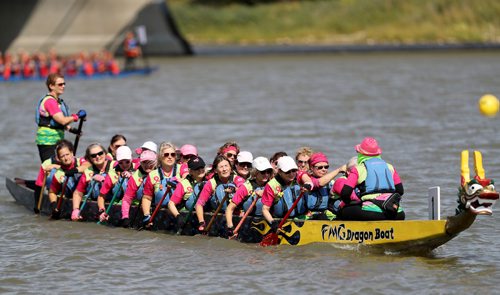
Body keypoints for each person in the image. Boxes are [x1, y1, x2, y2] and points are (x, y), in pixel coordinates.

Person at [335, 137, 405, 220]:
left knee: (344, 211)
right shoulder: (390, 167)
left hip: (371, 213)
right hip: (396, 213)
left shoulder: (358, 169)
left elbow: (345, 193)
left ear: (361, 154)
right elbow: (400, 191)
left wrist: (355, 203)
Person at [35, 73, 86, 162]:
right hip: (47, 140)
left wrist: (72, 130)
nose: (63, 86)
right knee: (52, 169)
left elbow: (57, 123)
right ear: (51, 86)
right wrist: (77, 116)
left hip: (57, 139)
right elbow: (62, 121)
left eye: (64, 84)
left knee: (62, 166)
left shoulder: (58, 101)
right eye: (60, 84)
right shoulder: (50, 101)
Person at [195, 155, 246, 232]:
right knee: (219, 190)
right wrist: (201, 222)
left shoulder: (238, 179)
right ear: (215, 170)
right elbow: (199, 204)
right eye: (221, 167)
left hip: (236, 211)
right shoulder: (211, 183)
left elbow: (243, 189)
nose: (224, 169)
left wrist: (235, 189)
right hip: (218, 211)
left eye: (226, 166)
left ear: (230, 168)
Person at [225, 156, 273, 237]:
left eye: (268, 172)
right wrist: (230, 227)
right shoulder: (245, 187)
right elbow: (229, 209)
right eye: (263, 172)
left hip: (269, 220)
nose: (266, 174)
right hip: (249, 221)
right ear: (255, 172)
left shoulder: (272, 185)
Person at [141, 142, 182, 227]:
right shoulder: (152, 175)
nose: (170, 157)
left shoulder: (182, 170)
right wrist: (147, 215)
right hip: (161, 211)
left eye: (173, 154)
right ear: (160, 157)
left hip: (180, 210)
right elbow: (147, 198)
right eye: (166, 154)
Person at [47, 140, 90, 219]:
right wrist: (53, 205)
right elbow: (52, 192)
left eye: (67, 154)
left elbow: (87, 165)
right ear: (58, 159)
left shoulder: (80, 161)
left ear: (72, 153)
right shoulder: (58, 173)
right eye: (62, 156)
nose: (66, 158)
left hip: (86, 191)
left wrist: (75, 170)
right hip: (69, 193)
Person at [71, 143, 113, 221]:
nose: (97, 156)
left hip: (115, 196)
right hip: (97, 197)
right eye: (93, 156)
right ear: (89, 158)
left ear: (105, 153)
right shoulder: (88, 172)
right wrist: (76, 209)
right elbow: (78, 193)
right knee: (94, 182)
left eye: (100, 153)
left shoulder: (116, 165)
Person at [297, 152, 346, 219]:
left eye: (326, 167)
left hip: (325, 214)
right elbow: (318, 183)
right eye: (320, 167)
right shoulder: (306, 179)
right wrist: (339, 170)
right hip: (308, 216)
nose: (324, 169)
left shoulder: (330, 182)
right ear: (311, 168)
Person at [261, 156, 305, 230]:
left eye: (294, 170)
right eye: (287, 172)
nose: (292, 174)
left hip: (300, 218)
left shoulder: (299, 178)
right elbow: (265, 209)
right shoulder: (272, 185)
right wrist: (272, 222)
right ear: (280, 172)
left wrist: (308, 184)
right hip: (280, 220)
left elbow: (310, 181)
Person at [168, 156, 207, 232]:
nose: (200, 170)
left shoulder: (210, 182)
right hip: (187, 214)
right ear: (190, 171)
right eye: (197, 169)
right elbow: (171, 204)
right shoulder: (184, 184)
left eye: (202, 167)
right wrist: (178, 216)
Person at [120, 149, 157, 227]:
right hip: (141, 202)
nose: (147, 165)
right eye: (144, 162)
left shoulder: (161, 172)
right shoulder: (135, 177)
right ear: (140, 163)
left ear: (156, 162)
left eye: (150, 162)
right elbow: (127, 199)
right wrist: (125, 217)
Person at [97, 146, 135, 222]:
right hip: (115, 200)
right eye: (121, 163)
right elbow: (101, 196)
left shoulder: (138, 168)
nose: (124, 165)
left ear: (131, 158)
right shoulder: (111, 175)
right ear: (117, 161)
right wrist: (102, 211)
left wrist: (132, 176)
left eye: (127, 162)